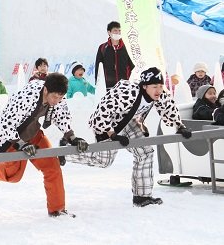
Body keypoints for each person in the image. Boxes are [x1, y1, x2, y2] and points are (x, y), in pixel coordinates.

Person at [66, 67, 192, 207]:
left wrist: (180, 126)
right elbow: (101, 113)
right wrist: (112, 134)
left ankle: (142, 197)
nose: (159, 90)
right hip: (109, 125)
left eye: (161, 86)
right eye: (155, 86)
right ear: (144, 86)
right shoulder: (128, 92)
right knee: (103, 161)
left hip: (129, 122)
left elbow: (169, 108)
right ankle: (66, 152)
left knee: (145, 153)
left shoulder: (160, 95)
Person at [0, 73, 89, 217]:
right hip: (11, 138)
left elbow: (62, 115)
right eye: (55, 97)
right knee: (14, 175)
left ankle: (57, 209)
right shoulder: (27, 96)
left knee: (53, 166)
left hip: (33, 133)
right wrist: (20, 144)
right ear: (45, 90)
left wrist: (72, 137)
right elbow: (5, 124)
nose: (57, 101)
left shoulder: (57, 96)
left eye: (60, 98)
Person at [94, 21, 135, 89]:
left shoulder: (126, 47)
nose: (118, 32)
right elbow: (98, 67)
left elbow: (131, 66)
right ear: (109, 32)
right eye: (115, 30)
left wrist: (127, 80)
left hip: (124, 86)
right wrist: (98, 84)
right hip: (108, 86)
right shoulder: (103, 47)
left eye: (119, 30)